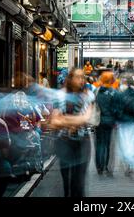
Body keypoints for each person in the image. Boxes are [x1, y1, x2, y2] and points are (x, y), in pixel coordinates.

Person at [50, 68, 92, 197]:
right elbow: (55, 122)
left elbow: (87, 118)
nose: (81, 80)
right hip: (64, 142)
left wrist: (65, 119)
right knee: (66, 180)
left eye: (83, 77)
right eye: (78, 77)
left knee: (78, 182)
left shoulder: (88, 95)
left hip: (83, 142)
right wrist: (76, 121)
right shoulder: (59, 95)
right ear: (70, 78)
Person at [116, 74, 134, 180]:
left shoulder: (121, 94)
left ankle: (129, 167)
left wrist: (118, 120)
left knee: (126, 146)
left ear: (126, 83)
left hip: (124, 123)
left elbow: (118, 109)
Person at [95, 71, 120, 176]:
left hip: (98, 121)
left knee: (99, 143)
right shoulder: (114, 92)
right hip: (110, 121)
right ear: (111, 80)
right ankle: (106, 166)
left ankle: (99, 167)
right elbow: (116, 109)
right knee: (108, 144)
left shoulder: (96, 91)